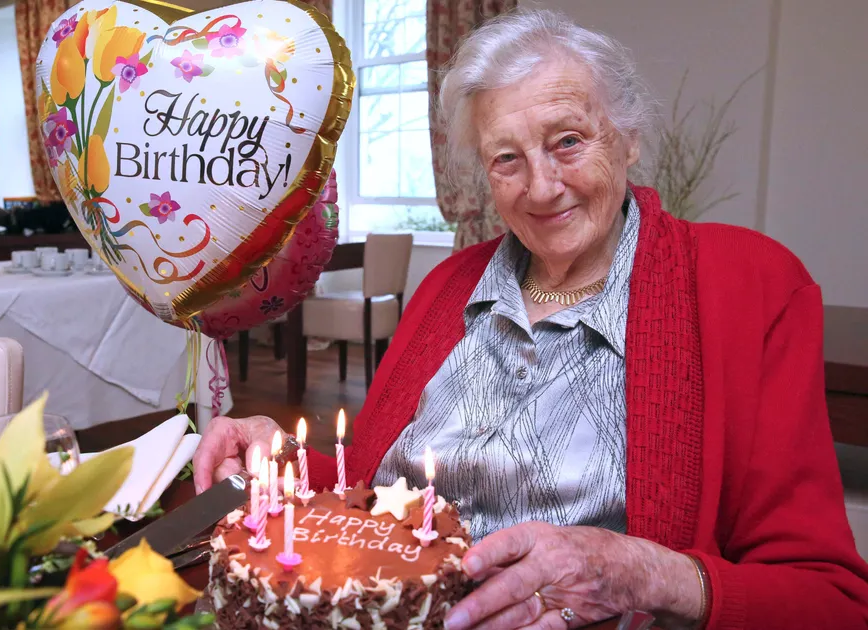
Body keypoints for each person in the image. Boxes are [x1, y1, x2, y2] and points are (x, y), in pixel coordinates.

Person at [192, 9, 868, 629]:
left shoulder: (749, 285)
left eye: (568, 141)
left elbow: (830, 598)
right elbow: (382, 501)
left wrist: (652, 574)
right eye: (507, 158)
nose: (541, 187)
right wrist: (282, 463)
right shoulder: (449, 286)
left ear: (627, 137)